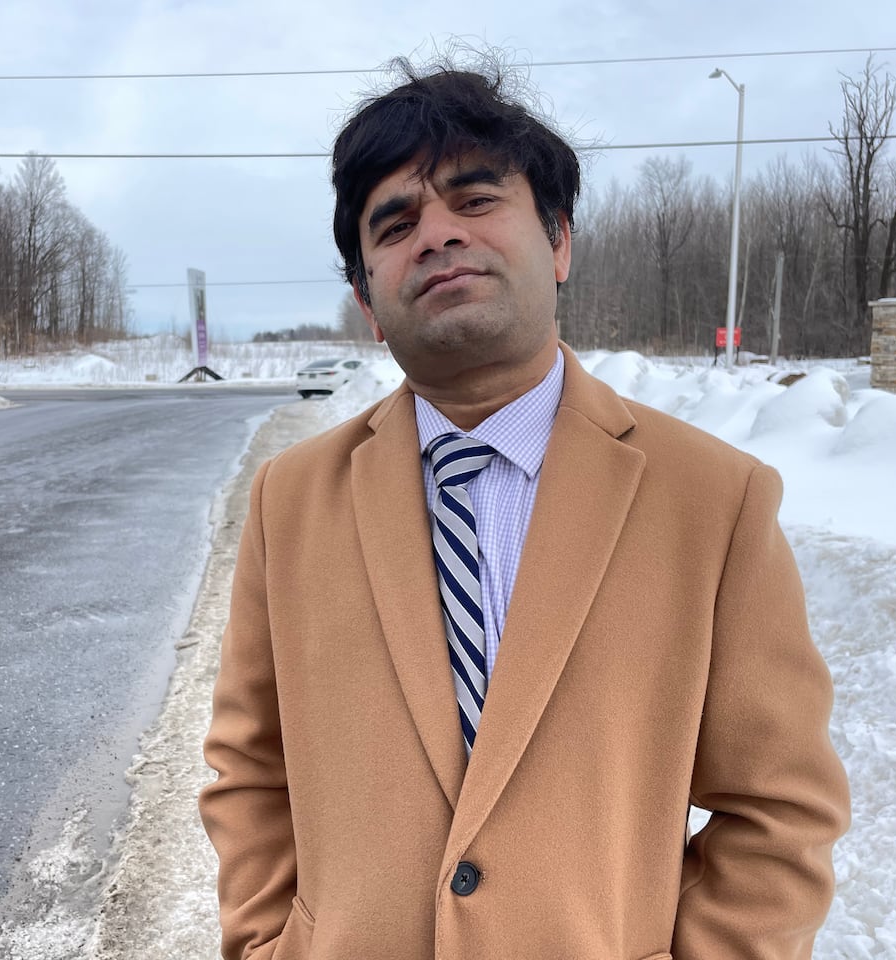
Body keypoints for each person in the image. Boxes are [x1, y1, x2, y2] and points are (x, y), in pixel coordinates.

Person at [199, 58, 850, 960]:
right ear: (368, 301)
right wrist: (268, 944)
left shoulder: (713, 499)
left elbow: (780, 808)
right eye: (395, 224)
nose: (435, 235)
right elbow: (250, 769)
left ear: (558, 243)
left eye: (474, 199)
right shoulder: (292, 502)